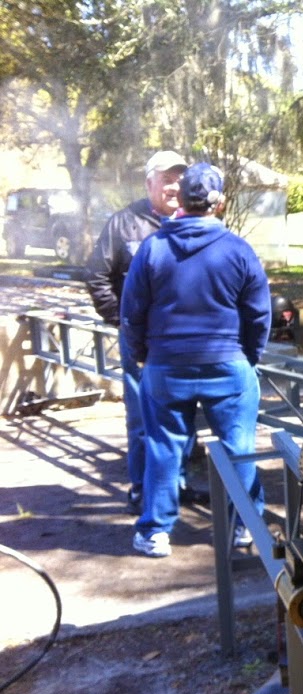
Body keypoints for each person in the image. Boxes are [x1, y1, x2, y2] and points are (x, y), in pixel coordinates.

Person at [120, 163, 271, 558]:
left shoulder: (153, 248)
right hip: (227, 363)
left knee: (163, 449)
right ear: (218, 203)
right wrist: (248, 357)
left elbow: (131, 313)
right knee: (239, 447)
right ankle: (245, 526)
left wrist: (143, 357)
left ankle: (155, 532)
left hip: (165, 366)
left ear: (181, 201)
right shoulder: (238, 249)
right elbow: (259, 315)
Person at [84, 150, 206, 512]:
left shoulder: (194, 221)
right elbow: (96, 276)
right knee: (141, 417)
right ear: (149, 182)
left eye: (180, 180)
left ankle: (177, 484)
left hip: (184, 340)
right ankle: (141, 488)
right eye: (167, 179)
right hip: (141, 342)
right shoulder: (124, 223)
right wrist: (123, 322)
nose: (174, 187)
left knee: (183, 413)